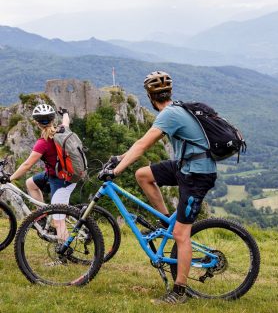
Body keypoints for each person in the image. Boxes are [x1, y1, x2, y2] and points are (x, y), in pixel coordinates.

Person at [98, 71, 217, 305]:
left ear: (151, 98)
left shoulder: (169, 115)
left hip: (197, 173)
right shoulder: (175, 110)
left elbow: (142, 145)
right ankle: (165, 221)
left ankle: (179, 292)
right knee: (143, 175)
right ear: (168, 94)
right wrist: (119, 158)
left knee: (182, 235)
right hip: (185, 166)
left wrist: (115, 171)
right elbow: (138, 145)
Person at [3, 104, 76, 239]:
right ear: (53, 120)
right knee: (31, 183)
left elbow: (27, 165)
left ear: (37, 123)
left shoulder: (43, 143)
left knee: (58, 222)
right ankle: (42, 215)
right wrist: (65, 112)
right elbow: (66, 121)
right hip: (56, 174)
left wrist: (10, 178)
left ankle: (65, 252)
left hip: (61, 180)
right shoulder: (61, 130)